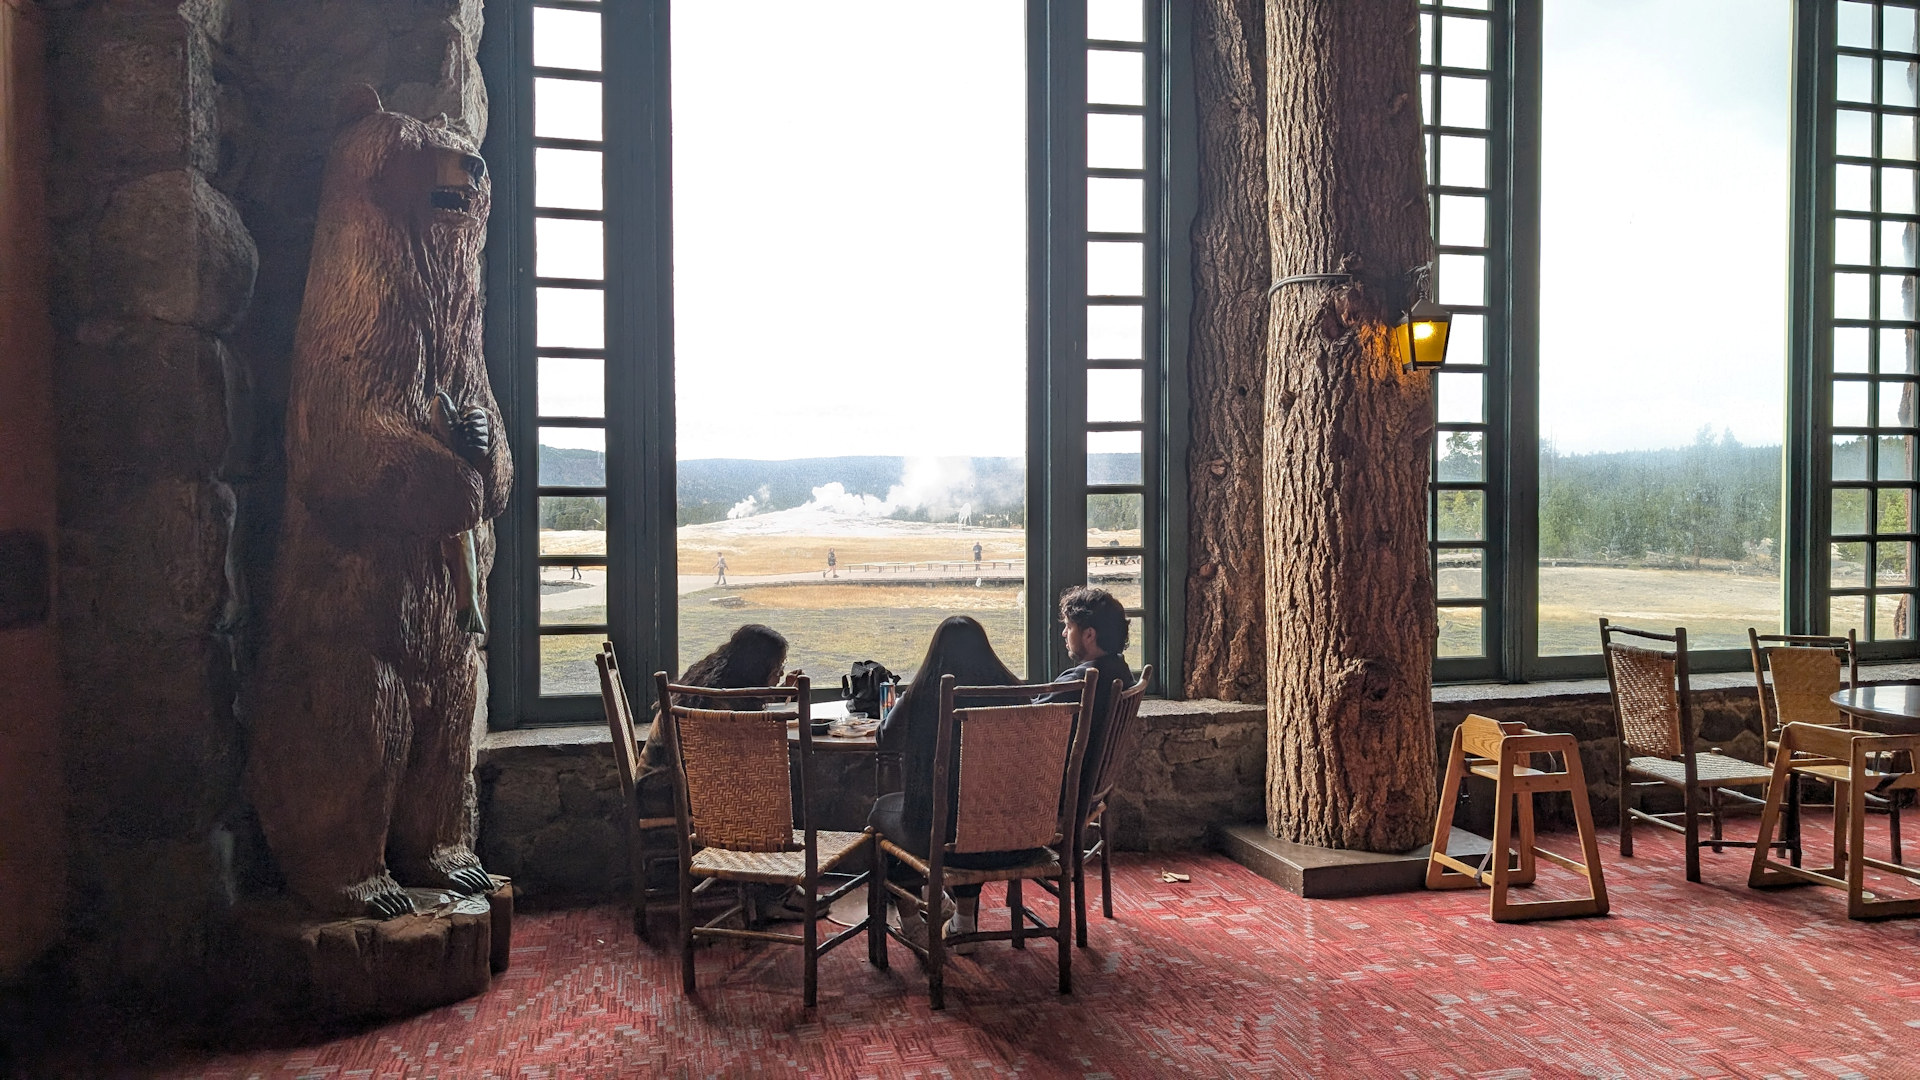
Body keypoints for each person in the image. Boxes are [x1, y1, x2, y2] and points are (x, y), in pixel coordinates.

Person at [870, 616, 1022, 949]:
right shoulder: (1015, 692)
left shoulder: (924, 690)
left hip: (943, 835)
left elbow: (886, 737)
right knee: (971, 812)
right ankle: (964, 923)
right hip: (1013, 834)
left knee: (885, 816)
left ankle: (910, 920)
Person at [1036, 586, 1135, 823]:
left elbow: (1029, 715)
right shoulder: (1119, 669)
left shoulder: (1082, 681)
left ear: (1089, 635)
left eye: (1069, 627)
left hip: (1060, 790)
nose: (1064, 634)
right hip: (1093, 786)